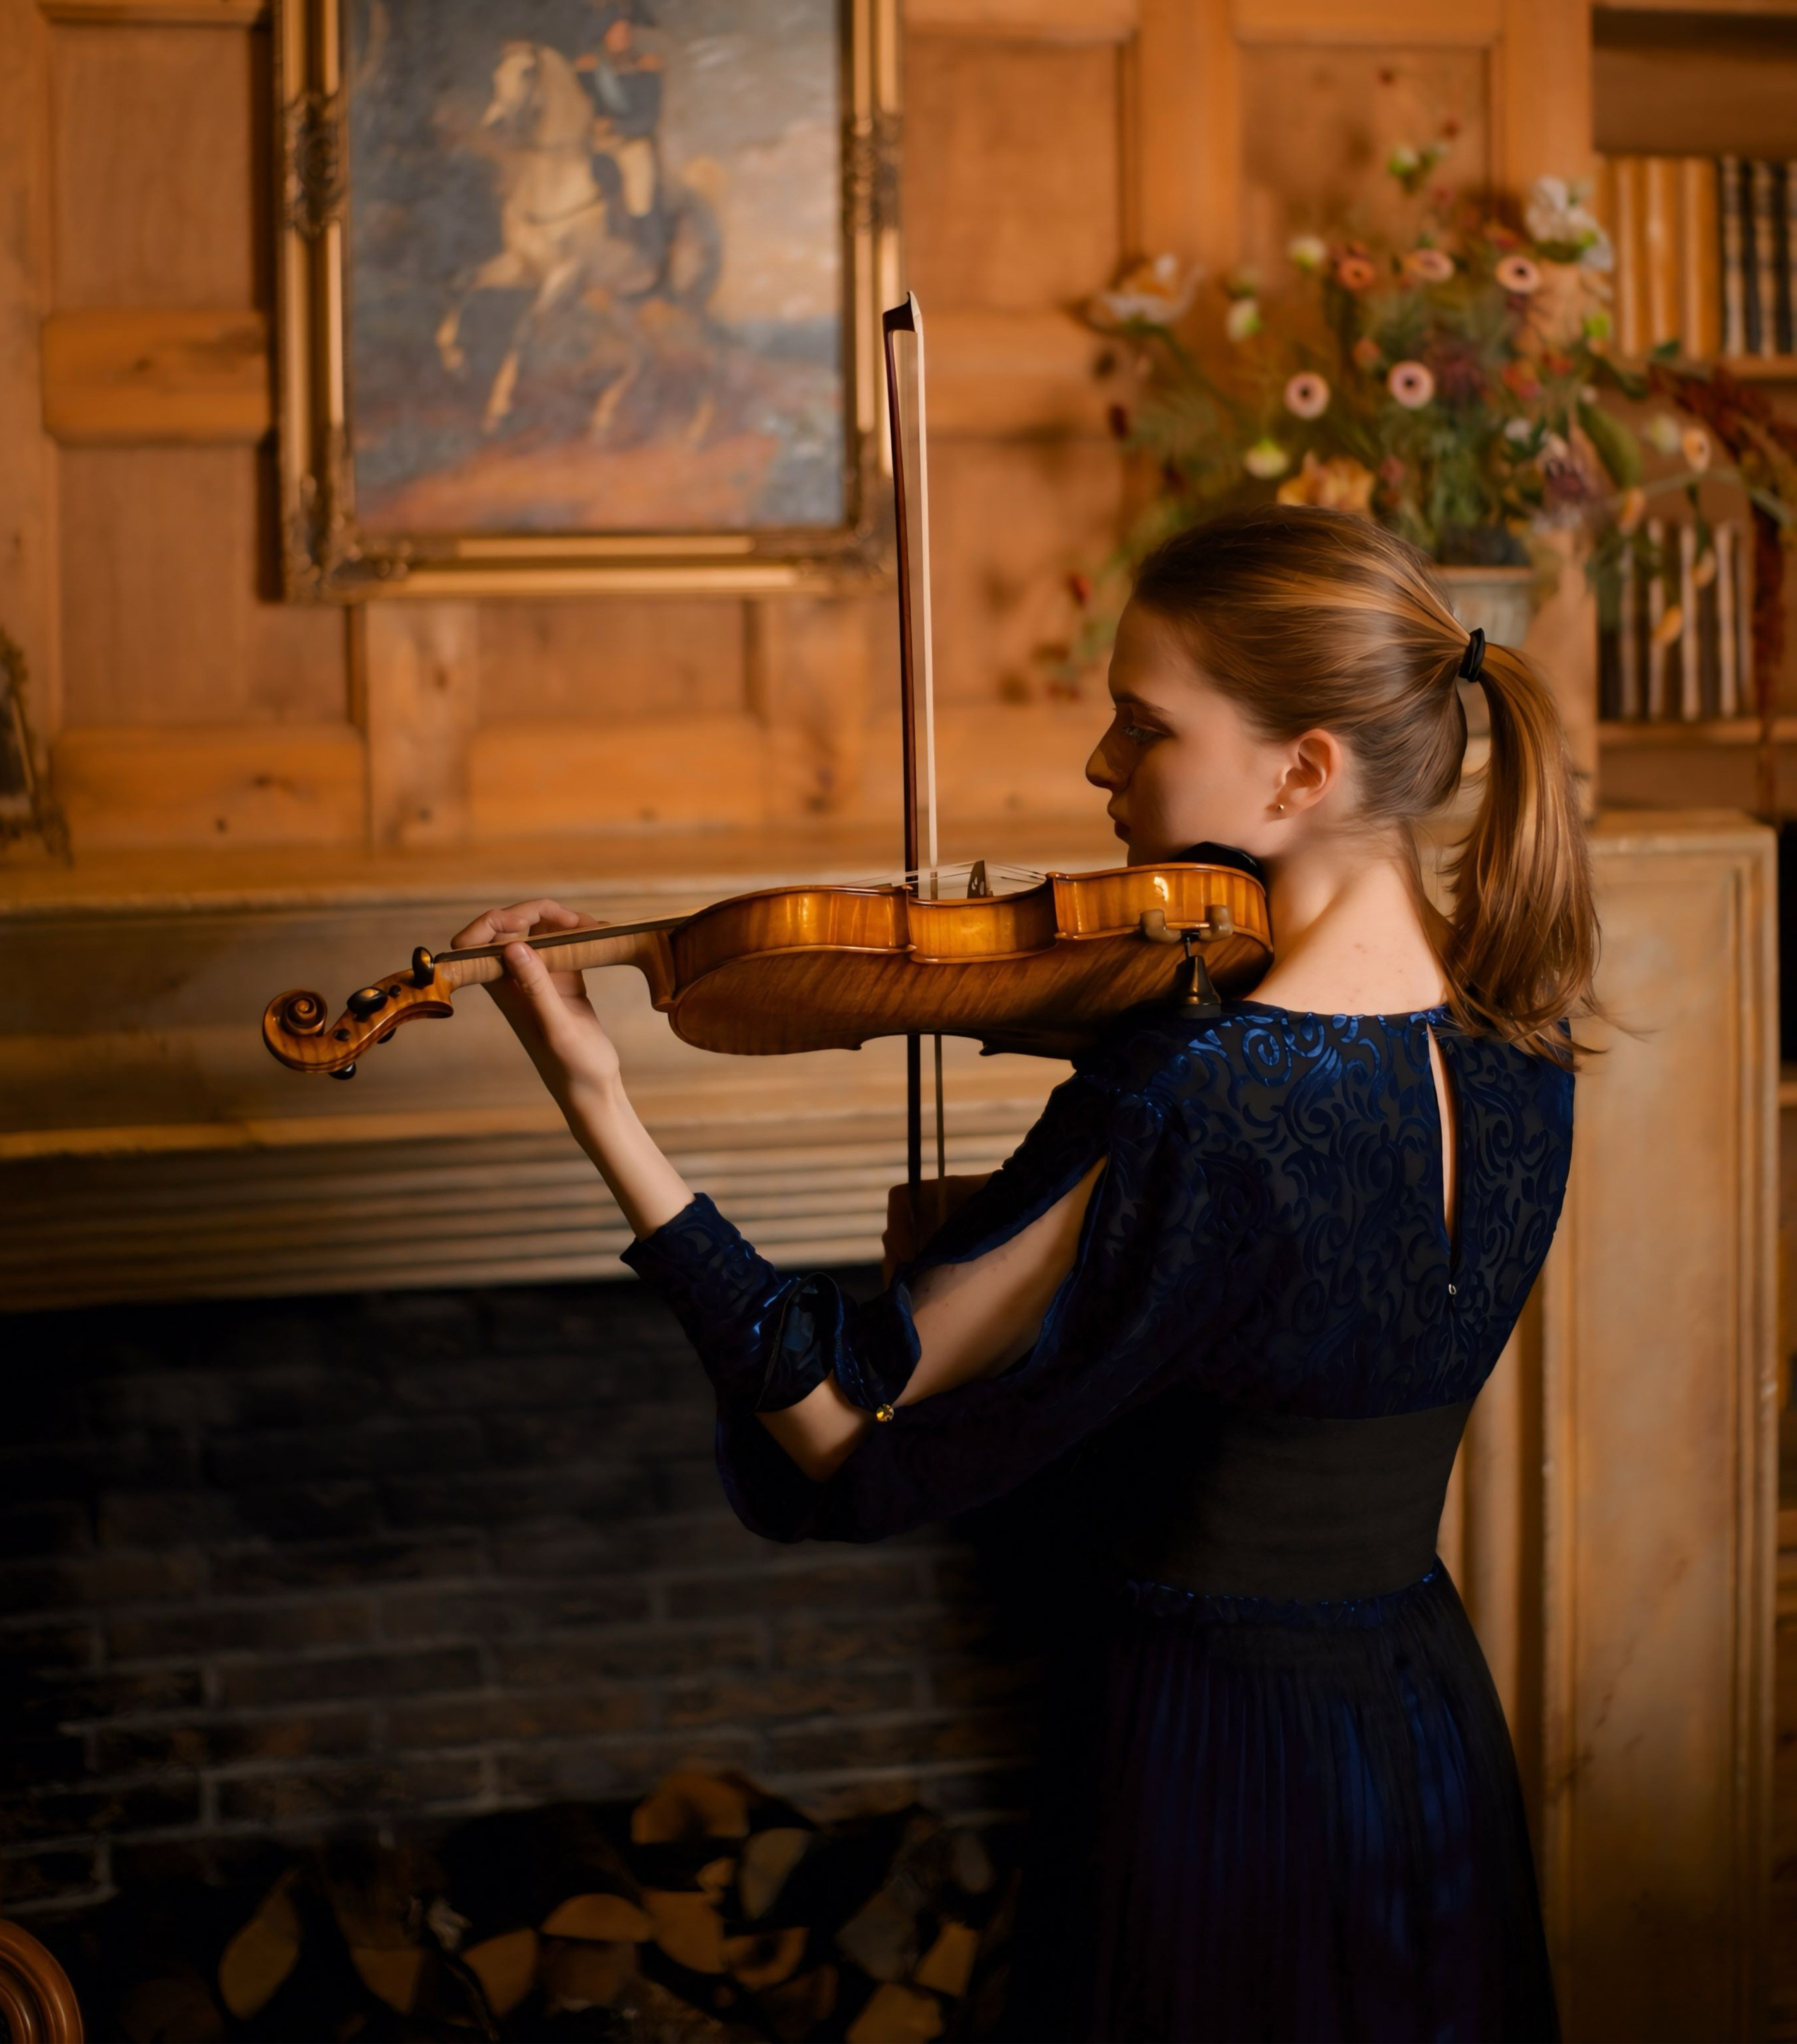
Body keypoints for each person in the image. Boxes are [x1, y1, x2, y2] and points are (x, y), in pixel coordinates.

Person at [457, 506, 1588, 2043]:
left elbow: (840, 1427)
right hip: (1421, 1725)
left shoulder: (1195, 1094)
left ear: (1300, 770)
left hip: (1211, 1754)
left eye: (1140, 727)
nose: (1097, 770)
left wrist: (601, 1103)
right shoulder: (1520, 1052)